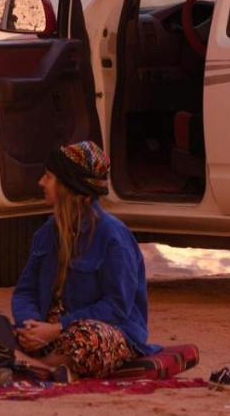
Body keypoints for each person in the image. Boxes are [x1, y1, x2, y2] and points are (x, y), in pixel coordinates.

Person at [12, 140, 154, 379]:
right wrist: (31, 326)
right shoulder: (47, 233)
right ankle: (50, 366)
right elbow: (25, 290)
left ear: (68, 186)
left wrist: (57, 329)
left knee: (88, 338)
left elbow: (116, 307)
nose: (41, 183)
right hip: (50, 332)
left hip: (104, 333)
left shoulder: (113, 237)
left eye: (48, 177)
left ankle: (42, 369)